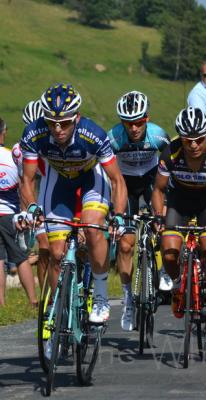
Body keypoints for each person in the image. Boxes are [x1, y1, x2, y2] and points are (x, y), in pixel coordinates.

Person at [18, 83, 127, 324]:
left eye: (65, 123)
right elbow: (26, 179)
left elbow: (117, 180)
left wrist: (118, 215)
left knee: (91, 227)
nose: (57, 129)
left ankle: (99, 295)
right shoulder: (33, 133)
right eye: (51, 122)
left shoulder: (93, 134)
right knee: (55, 253)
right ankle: (63, 309)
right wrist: (33, 207)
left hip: (91, 177)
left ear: (76, 118)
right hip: (58, 180)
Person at [152, 107, 206, 331]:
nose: (194, 145)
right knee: (168, 252)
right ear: (181, 139)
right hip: (180, 201)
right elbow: (158, 189)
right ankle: (178, 287)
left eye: (199, 140)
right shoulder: (170, 153)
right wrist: (158, 216)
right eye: (188, 140)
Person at [108, 90, 170, 331]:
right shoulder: (113, 138)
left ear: (147, 118)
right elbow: (106, 175)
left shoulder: (158, 136)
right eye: (128, 122)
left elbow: (170, 168)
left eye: (138, 122)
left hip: (151, 181)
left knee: (164, 225)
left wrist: (167, 203)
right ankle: (128, 299)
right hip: (125, 184)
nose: (133, 128)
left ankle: (164, 269)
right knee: (125, 244)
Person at [0, 117, 37, 307]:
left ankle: (1, 302)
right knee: (21, 258)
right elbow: (23, 185)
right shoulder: (10, 156)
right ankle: (32, 300)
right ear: (3, 132)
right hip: (10, 215)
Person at [12, 100, 48, 290]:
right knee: (45, 248)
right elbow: (26, 183)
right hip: (39, 190)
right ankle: (46, 301)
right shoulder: (20, 150)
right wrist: (26, 212)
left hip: (56, 186)